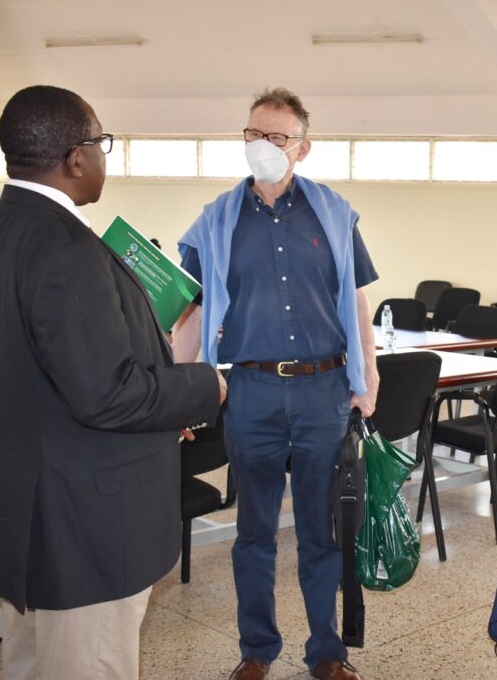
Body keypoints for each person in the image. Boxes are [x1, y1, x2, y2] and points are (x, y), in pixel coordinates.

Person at [0, 85, 226, 680]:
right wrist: (207, 386)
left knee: (30, 662)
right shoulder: (67, 247)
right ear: (76, 158)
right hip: (84, 524)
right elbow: (107, 394)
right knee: (87, 663)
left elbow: (37, 367)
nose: (105, 157)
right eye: (102, 143)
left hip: (22, 508)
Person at [174, 87, 378, 680]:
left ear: (303, 148)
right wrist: (179, 396)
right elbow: (188, 311)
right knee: (254, 532)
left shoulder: (335, 214)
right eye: (253, 135)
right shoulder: (214, 221)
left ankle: (327, 652)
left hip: (324, 392)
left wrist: (367, 376)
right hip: (252, 392)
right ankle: (257, 649)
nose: (262, 146)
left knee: (322, 532)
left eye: (277, 137)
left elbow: (358, 303)